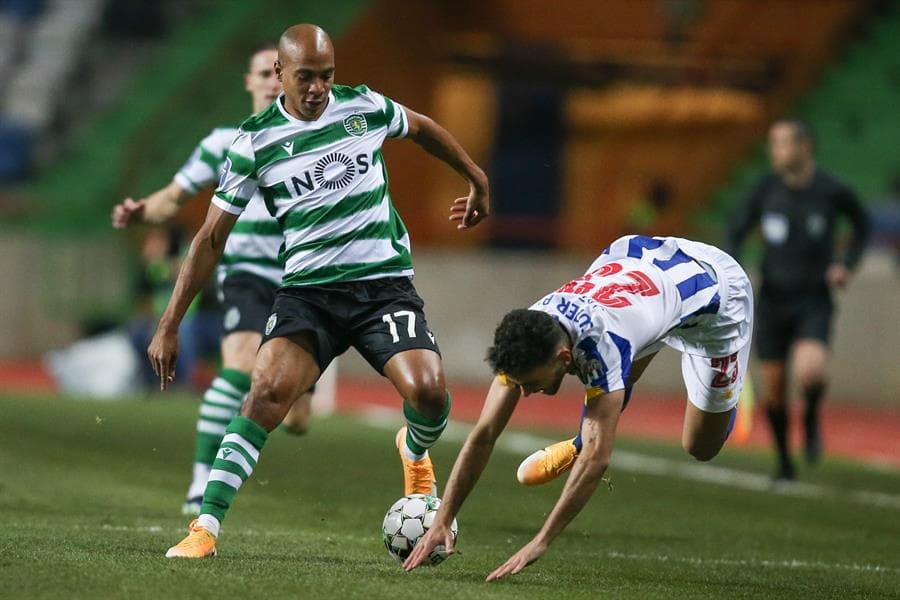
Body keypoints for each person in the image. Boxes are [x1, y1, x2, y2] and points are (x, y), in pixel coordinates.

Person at [153, 23, 490, 558]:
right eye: (305, 77)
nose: (317, 89)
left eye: (326, 76)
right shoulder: (254, 142)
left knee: (429, 392)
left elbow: (422, 128)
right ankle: (204, 530)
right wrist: (170, 323)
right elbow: (211, 238)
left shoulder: (364, 107)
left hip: (383, 288)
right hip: (308, 294)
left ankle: (415, 448)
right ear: (280, 74)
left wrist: (475, 177)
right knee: (264, 396)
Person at [403, 235, 753, 580]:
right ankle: (648, 338)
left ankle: (583, 437)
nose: (525, 393)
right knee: (614, 377)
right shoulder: (532, 327)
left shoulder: (606, 347)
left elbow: (598, 460)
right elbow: (484, 434)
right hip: (639, 266)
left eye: (531, 383)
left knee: (700, 446)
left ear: (564, 357)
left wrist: (541, 541)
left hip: (714, 297)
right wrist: (443, 519)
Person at [112, 42, 314, 515]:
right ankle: (202, 482)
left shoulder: (314, 138)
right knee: (241, 365)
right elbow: (173, 196)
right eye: (262, 72)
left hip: (303, 279)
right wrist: (143, 210)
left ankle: (300, 393)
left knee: (298, 419)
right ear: (249, 81)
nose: (270, 80)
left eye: (278, 73)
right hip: (246, 274)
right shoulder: (224, 143)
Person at [727, 118, 870, 481]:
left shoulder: (831, 190)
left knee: (811, 372)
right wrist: (733, 267)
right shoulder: (765, 189)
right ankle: (784, 462)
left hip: (814, 299)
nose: (774, 151)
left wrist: (846, 264)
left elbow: (862, 226)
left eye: (782, 143)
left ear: (804, 147)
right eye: (772, 143)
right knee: (774, 390)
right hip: (774, 299)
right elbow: (736, 229)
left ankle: (809, 418)